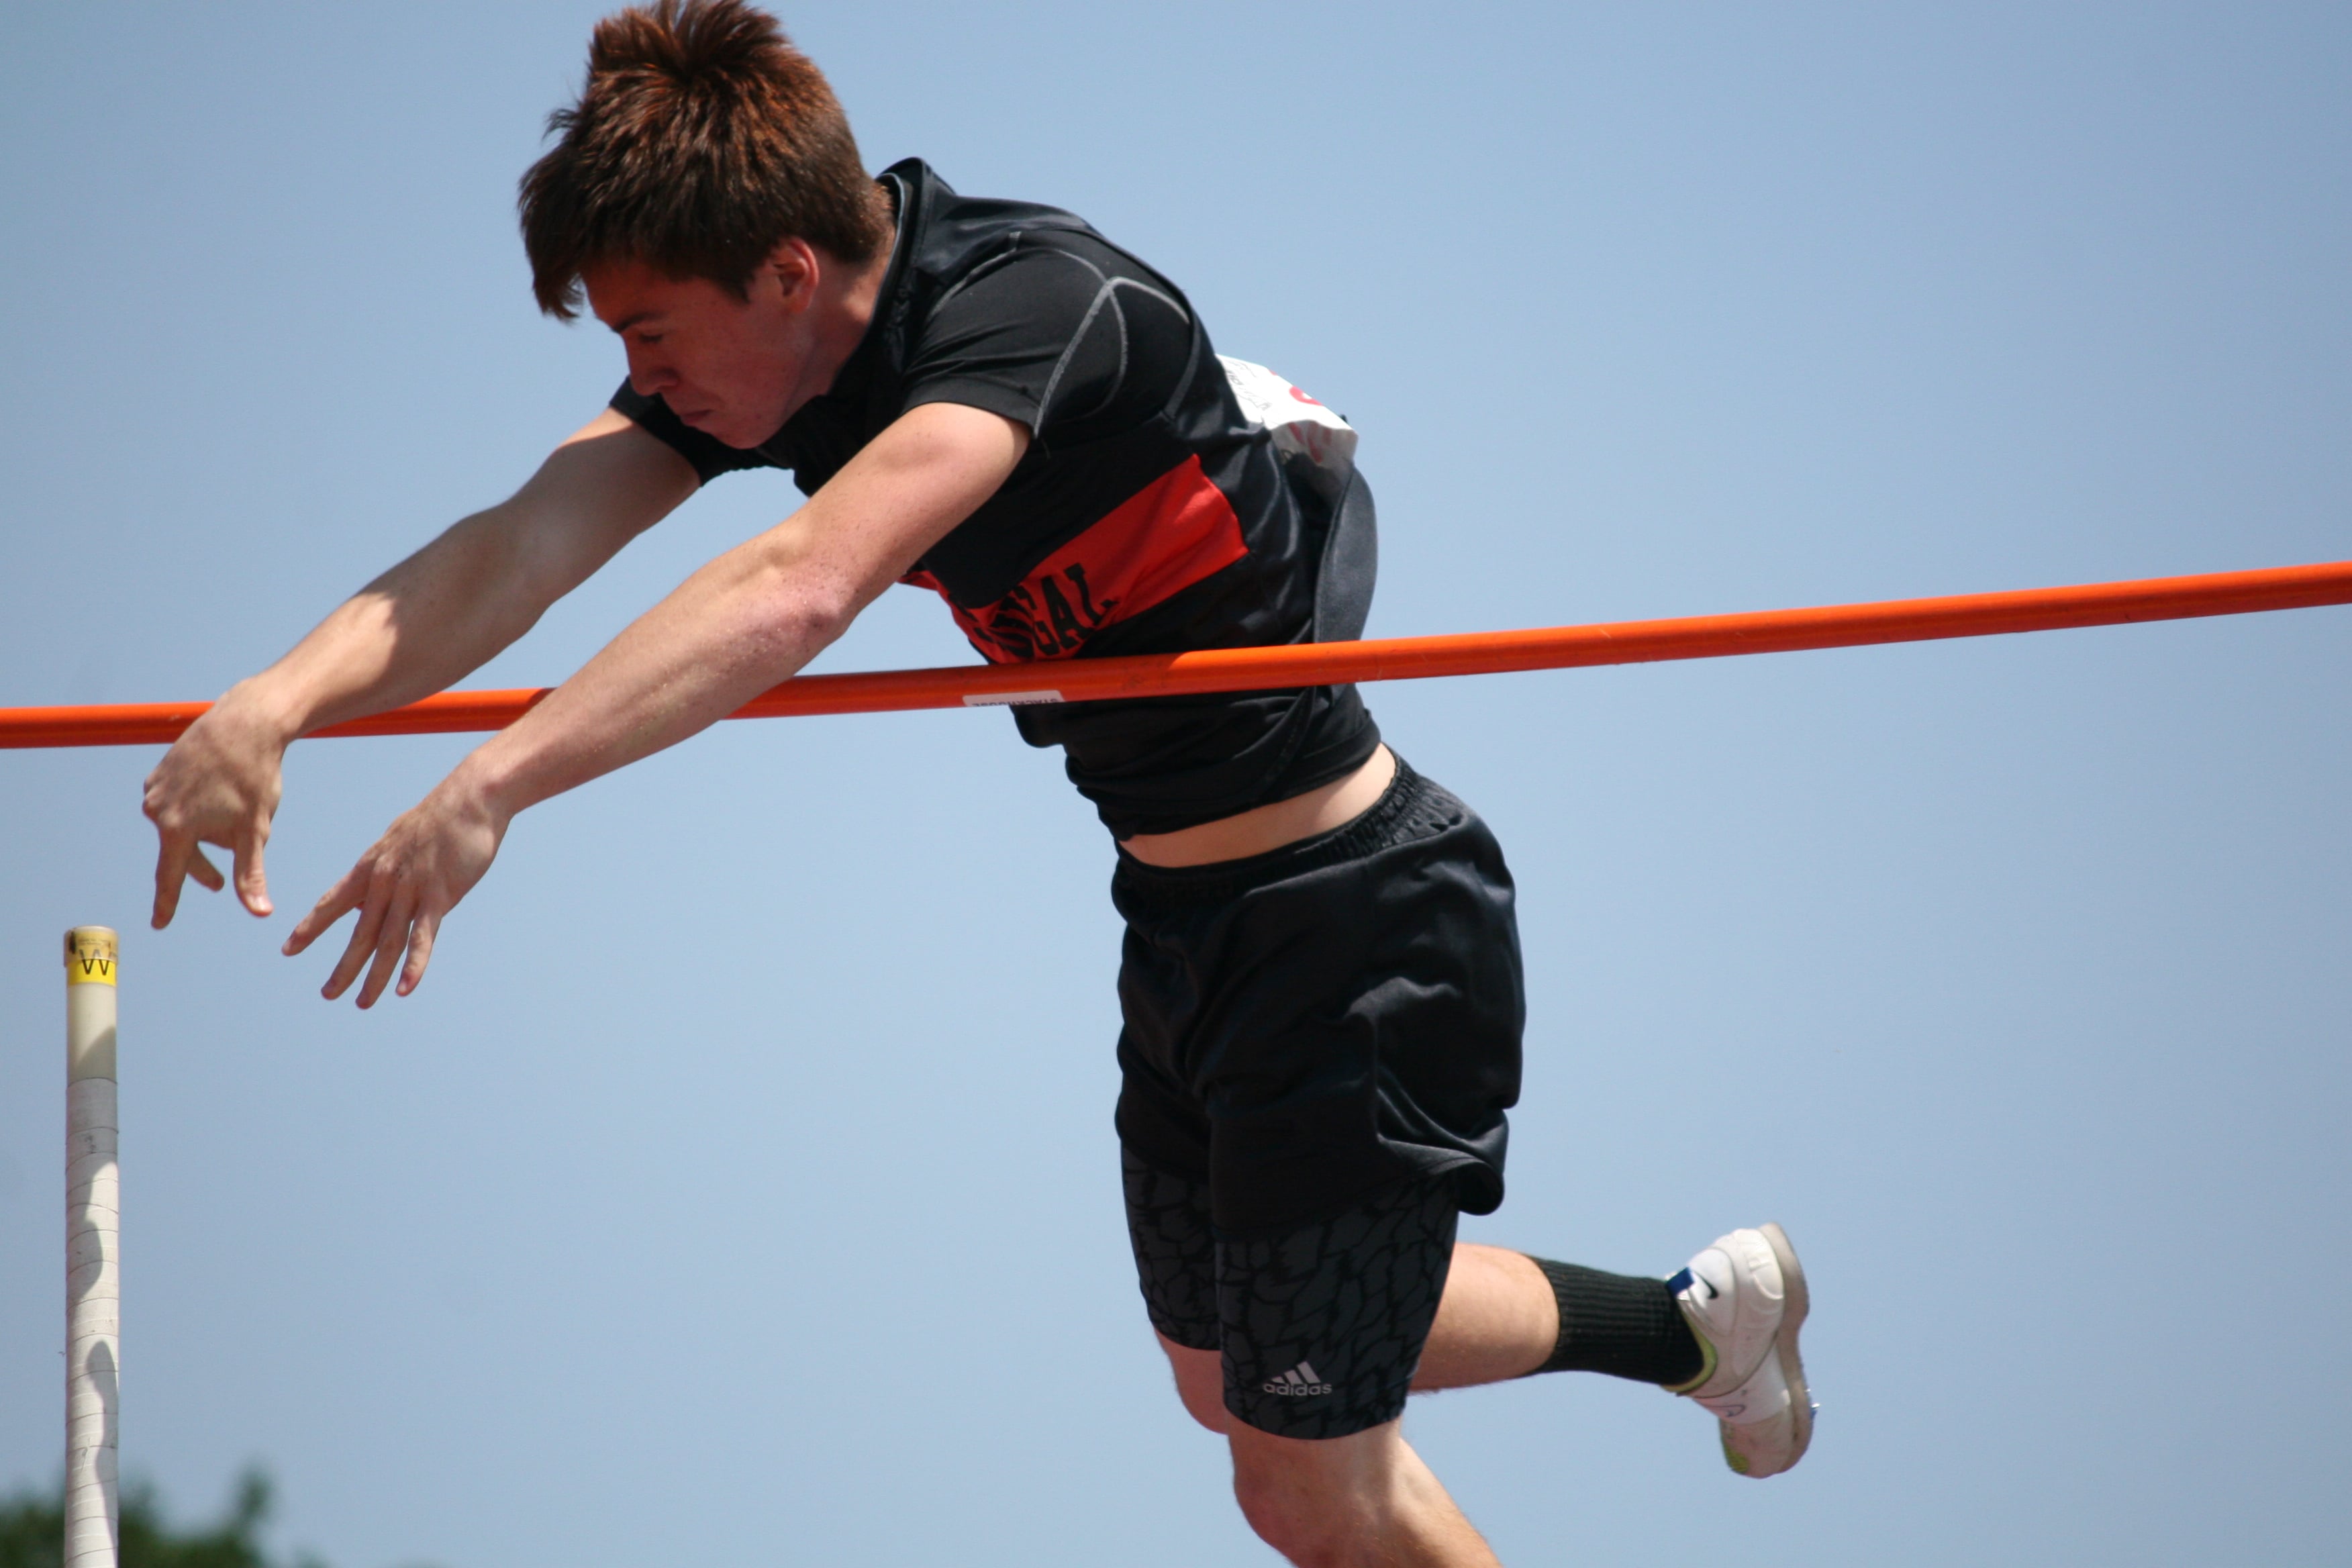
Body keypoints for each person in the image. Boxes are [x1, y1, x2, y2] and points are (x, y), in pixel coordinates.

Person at [138, 3, 1812, 1561]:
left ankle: (1681, 1335)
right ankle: (1689, 1327)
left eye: (651, 333)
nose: (641, 381)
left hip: (1355, 915)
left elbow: (804, 583)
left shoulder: (1023, 307)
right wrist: (273, 701)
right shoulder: (783, 358)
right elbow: (523, 541)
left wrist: (488, 785)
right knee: (1238, 1363)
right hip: (1183, 917)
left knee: (1304, 1476)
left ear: (787, 269)